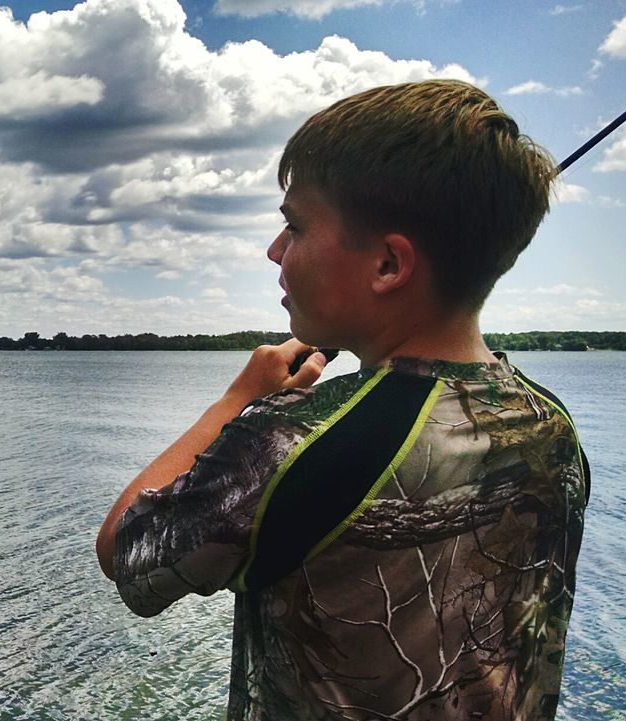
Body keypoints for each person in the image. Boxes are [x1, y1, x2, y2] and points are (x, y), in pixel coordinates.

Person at [95, 80, 589, 721]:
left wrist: (237, 399)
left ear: (388, 265)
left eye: (294, 226)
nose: (274, 251)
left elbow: (124, 554)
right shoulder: (550, 424)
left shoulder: (290, 439)